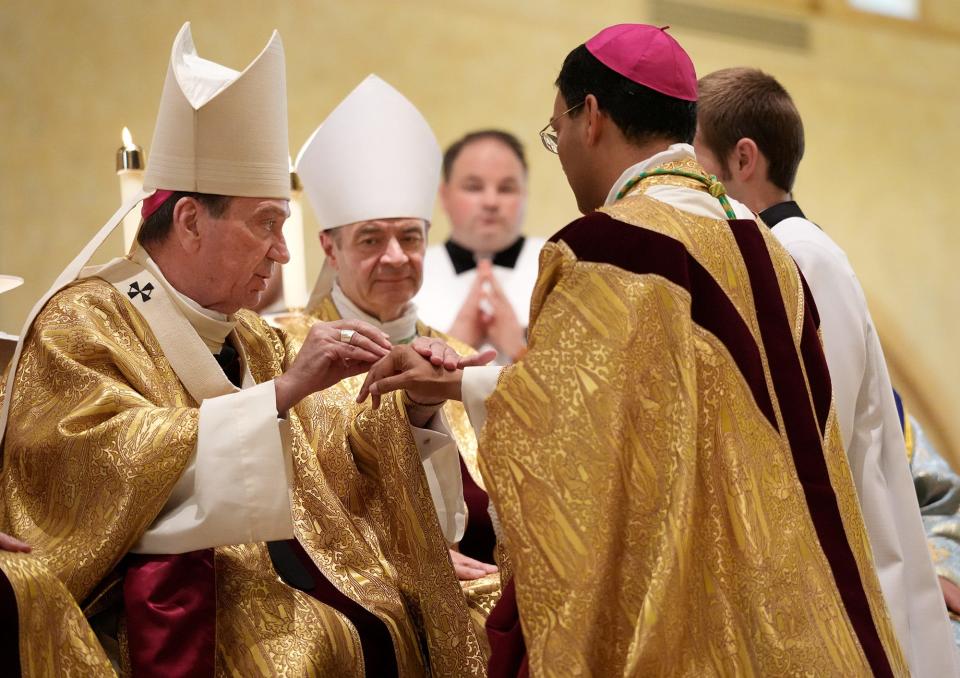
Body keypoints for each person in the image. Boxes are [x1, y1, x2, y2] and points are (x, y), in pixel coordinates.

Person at [360, 23, 910, 675]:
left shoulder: (608, 247)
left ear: (590, 116)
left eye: (555, 128)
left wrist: (456, 388)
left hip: (688, 623)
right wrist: (463, 385)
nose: (558, 149)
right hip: (800, 610)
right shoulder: (762, 244)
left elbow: (566, 437)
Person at [0, 25, 485, 676]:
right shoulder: (85, 320)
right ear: (192, 221)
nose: (285, 253)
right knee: (307, 651)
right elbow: (89, 468)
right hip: (132, 599)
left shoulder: (251, 334)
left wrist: (415, 405)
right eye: (266, 225)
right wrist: (283, 395)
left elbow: (345, 475)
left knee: (385, 623)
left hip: (261, 570)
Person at [694, 66, 958, 676]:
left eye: (694, 161)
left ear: (742, 160)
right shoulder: (777, 255)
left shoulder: (801, 259)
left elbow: (815, 440)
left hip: (843, 594)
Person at [282, 74, 502, 626]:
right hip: (364, 585)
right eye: (371, 239)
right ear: (329, 247)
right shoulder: (285, 346)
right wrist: (413, 559)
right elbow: (302, 498)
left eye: (410, 237)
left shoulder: (458, 353)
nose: (396, 257)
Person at [414, 130, 543, 364]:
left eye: (506, 188)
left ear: (524, 195)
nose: (491, 202)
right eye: (474, 187)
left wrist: (519, 348)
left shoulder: (559, 263)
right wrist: (453, 346)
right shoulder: (409, 271)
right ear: (444, 195)